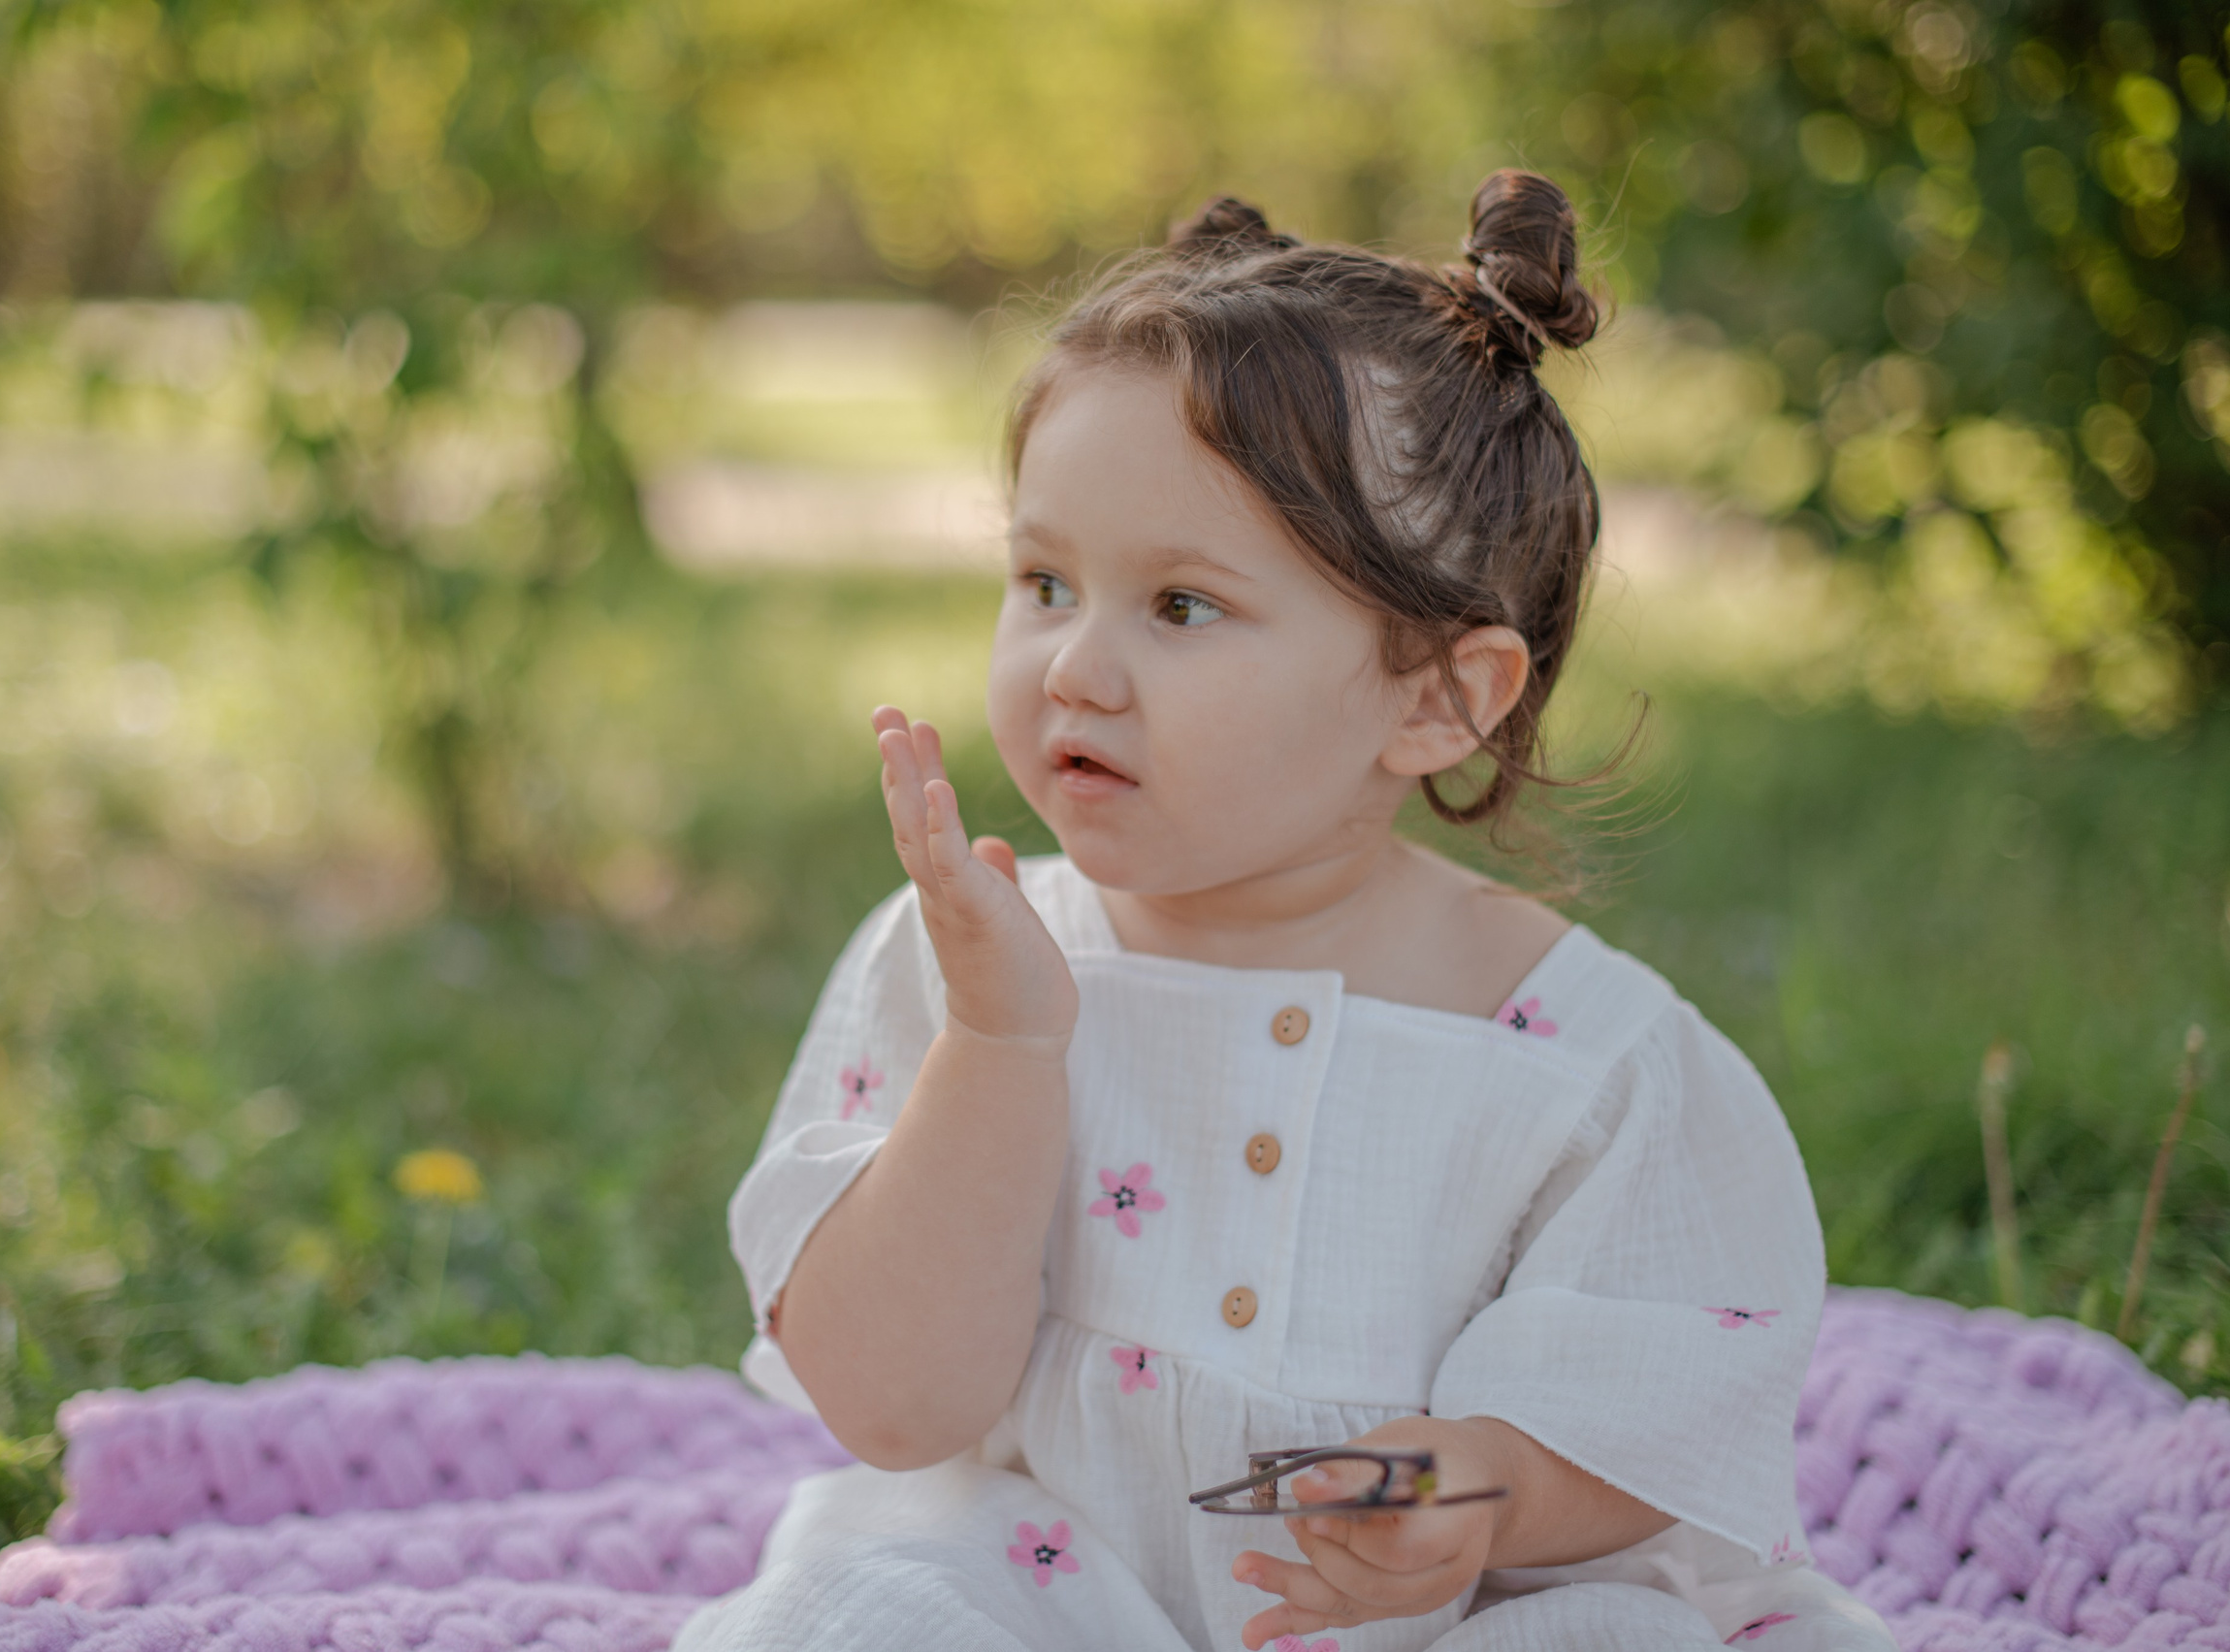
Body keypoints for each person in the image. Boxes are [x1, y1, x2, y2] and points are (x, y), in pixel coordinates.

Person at [674, 174, 1896, 1652]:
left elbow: (1658, 1403)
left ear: (1441, 695)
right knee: (857, 1608)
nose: (1074, 666)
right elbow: (892, 1405)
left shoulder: (1579, 1060)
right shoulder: (971, 967)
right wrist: (999, 1049)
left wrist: (1486, 1490)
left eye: (1181, 607)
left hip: (1444, 1618)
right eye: (1044, 580)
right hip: (1055, 1593)